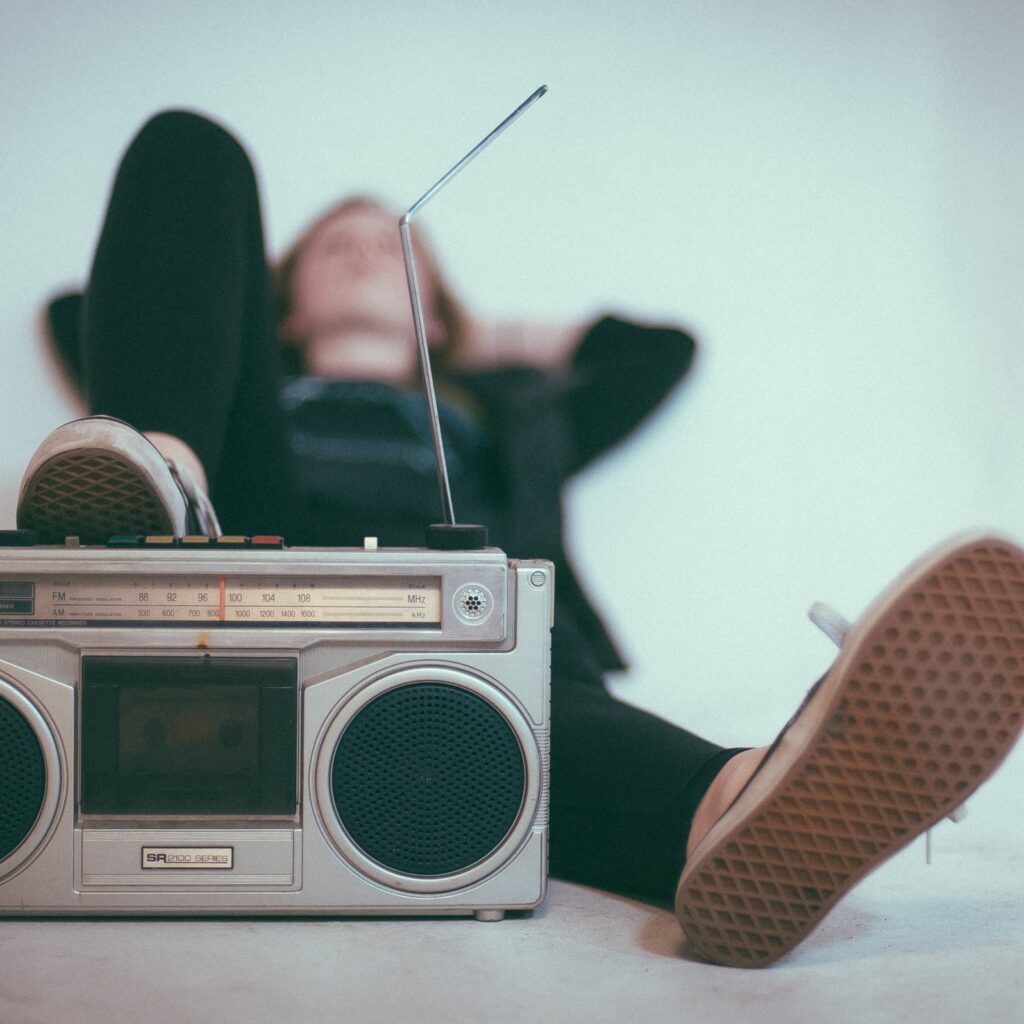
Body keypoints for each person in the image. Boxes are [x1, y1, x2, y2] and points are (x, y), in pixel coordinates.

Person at [15, 109, 1024, 968]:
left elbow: (656, 352)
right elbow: (85, 311)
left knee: (525, 686)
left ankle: (736, 802)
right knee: (189, 144)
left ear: (439, 304)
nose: (366, 251)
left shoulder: (508, 410)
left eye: (393, 249)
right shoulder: (254, 396)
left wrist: (466, 335)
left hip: (466, 625)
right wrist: (232, 348)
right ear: (278, 295)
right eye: (335, 247)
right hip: (254, 558)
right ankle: (158, 494)